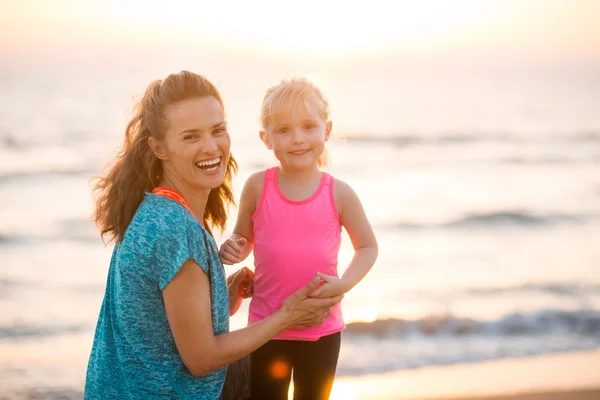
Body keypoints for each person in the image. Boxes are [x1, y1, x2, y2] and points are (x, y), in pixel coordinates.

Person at [84, 71, 343, 400]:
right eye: (190, 136)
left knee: (273, 364)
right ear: (159, 147)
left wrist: (220, 299)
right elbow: (202, 359)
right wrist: (288, 315)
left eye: (217, 130)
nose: (211, 146)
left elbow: (164, 321)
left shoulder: (159, 208)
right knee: (270, 365)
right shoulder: (174, 229)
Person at [219, 77, 378, 400]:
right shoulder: (257, 187)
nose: (298, 139)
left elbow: (368, 247)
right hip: (266, 329)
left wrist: (344, 283)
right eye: (284, 130)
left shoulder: (339, 193)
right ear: (266, 138)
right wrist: (234, 247)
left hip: (321, 329)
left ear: (327, 130)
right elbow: (244, 237)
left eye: (308, 126)